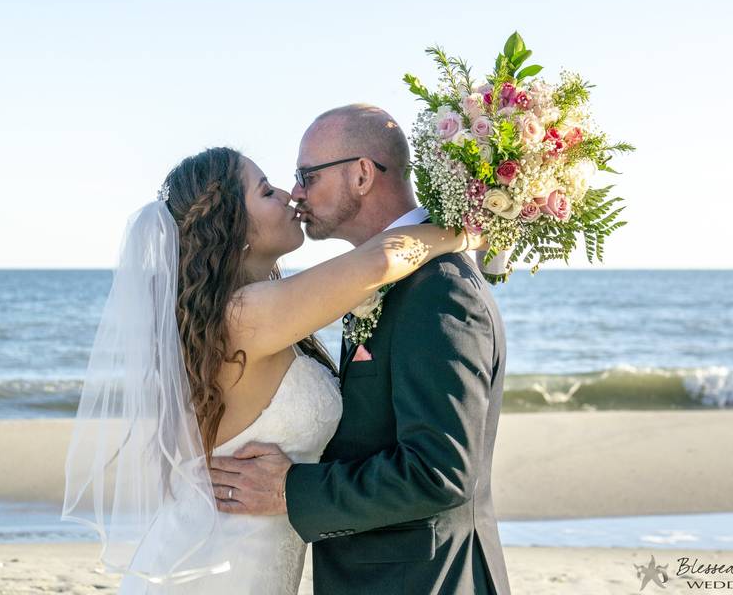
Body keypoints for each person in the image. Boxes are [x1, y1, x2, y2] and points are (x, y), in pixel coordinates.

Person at [62, 144, 484, 594]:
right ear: (232, 226)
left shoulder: (239, 314)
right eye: (266, 191)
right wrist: (468, 233)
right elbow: (381, 260)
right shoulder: (243, 315)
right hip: (213, 570)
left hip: (236, 559)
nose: (288, 194)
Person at [210, 105, 512, 595]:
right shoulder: (364, 282)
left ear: (363, 175)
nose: (297, 194)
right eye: (284, 182)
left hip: (425, 581)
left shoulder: (437, 287)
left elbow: (440, 471)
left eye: (307, 175)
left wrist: (291, 489)